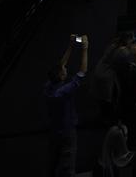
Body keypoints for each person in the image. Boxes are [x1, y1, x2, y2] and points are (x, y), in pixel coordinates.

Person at [46, 34, 89, 177]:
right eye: (64, 71)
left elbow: (61, 65)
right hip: (67, 131)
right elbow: (82, 72)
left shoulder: (49, 87)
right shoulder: (64, 91)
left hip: (54, 129)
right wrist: (85, 48)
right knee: (68, 164)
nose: (65, 69)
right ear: (62, 77)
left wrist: (70, 46)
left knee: (53, 160)